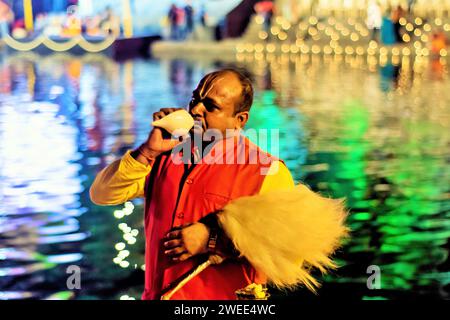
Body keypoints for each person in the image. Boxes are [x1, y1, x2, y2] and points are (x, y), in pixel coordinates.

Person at [90, 69, 295, 300]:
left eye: (211, 106)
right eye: (195, 99)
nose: (196, 109)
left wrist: (214, 240)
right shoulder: (164, 154)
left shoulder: (267, 171)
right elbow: (102, 194)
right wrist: (147, 152)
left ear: (240, 120)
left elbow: (289, 254)